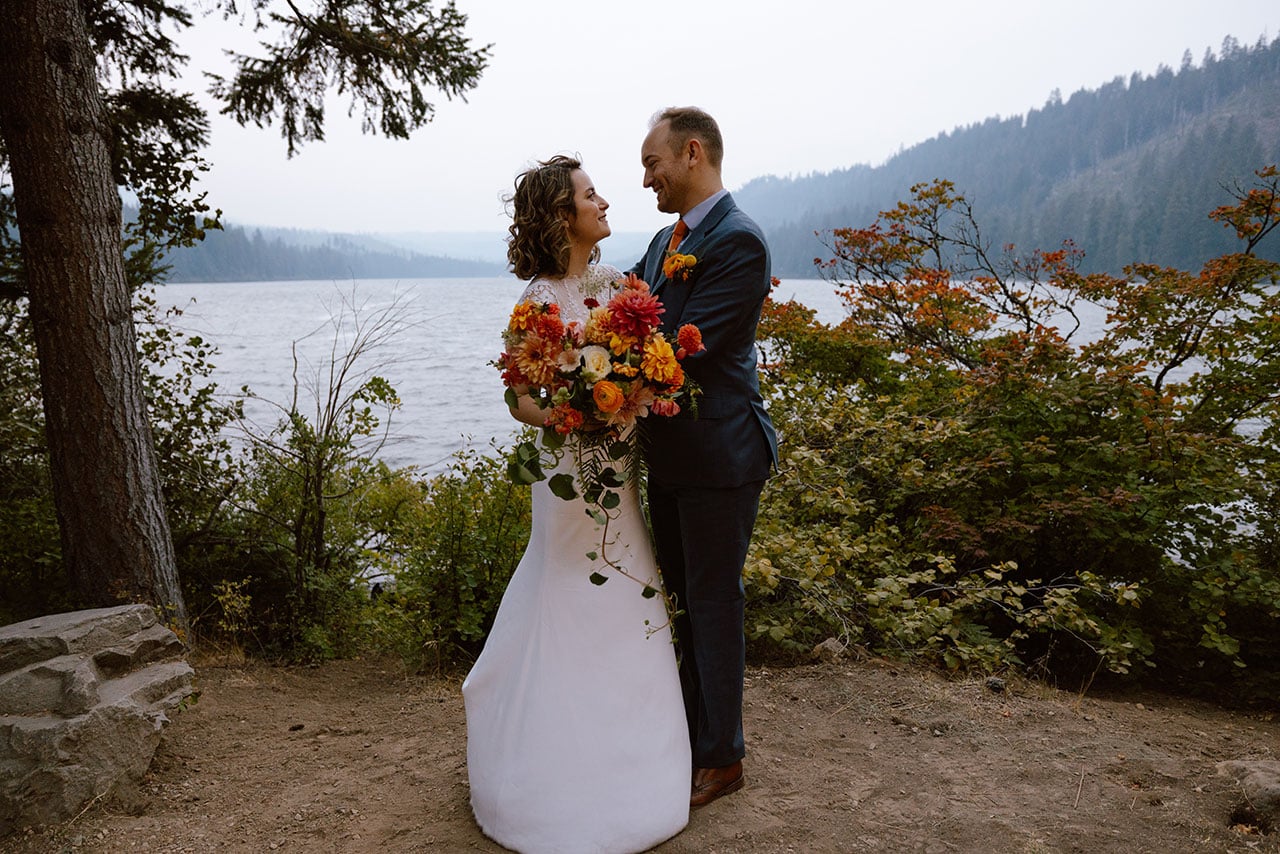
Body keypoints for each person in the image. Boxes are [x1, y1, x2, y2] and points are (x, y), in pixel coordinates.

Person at [462, 155, 691, 854]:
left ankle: (637, 772)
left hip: (617, 470)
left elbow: (648, 365)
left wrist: (637, 392)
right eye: (591, 194)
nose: (604, 201)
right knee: (568, 589)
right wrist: (576, 411)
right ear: (563, 215)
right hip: (566, 473)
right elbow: (520, 399)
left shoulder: (619, 287)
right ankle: (545, 782)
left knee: (629, 588)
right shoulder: (535, 302)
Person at [630, 107, 778, 808]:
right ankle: (688, 738)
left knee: (715, 601)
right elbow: (623, 314)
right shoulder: (664, 240)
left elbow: (684, 346)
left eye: (652, 164)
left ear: (693, 154)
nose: (646, 179)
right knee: (684, 601)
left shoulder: (741, 242)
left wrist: (605, 379)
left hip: (721, 451)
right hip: (671, 455)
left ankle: (723, 757)